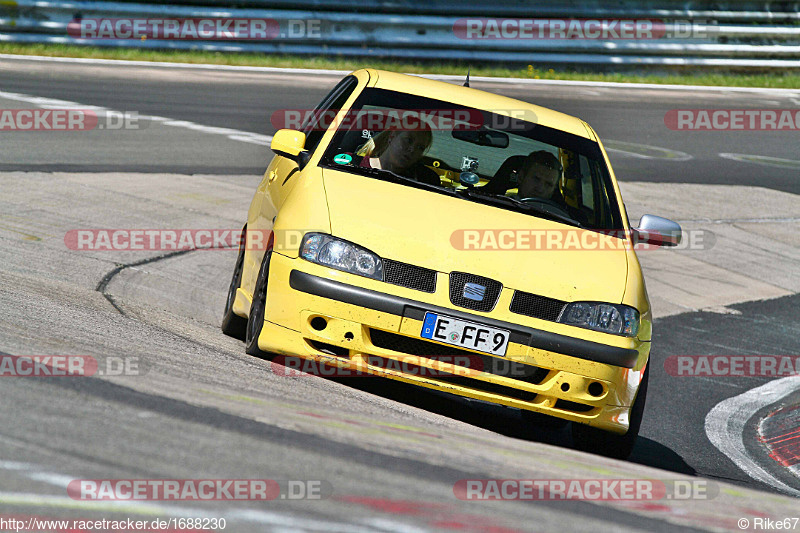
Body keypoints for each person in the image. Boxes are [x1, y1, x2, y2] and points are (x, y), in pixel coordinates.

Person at [356, 127, 440, 186]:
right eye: (408, 140)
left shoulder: (426, 181)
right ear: (392, 137)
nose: (412, 149)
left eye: (420, 148)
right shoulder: (350, 164)